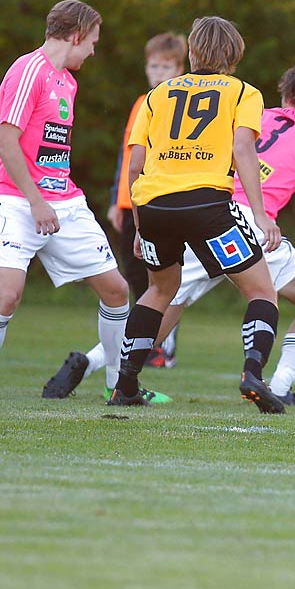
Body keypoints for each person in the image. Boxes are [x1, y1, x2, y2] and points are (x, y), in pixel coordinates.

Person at [48, 61, 295, 404]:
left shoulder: (255, 113)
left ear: (287, 92)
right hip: (241, 223)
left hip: (206, 207)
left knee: (164, 301)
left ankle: (96, 361)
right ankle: (277, 387)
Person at [0, 0, 132, 401]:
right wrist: (35, 201)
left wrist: (50, 199)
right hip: (19, 200)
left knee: (117, 290)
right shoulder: (26, 71)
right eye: (93, 42)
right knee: (8, 292)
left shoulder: (68, 81)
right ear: (77, 35)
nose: (94, 51)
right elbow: (6, 142)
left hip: (64, 201)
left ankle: (118, 387)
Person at [109, 16, 287, 413]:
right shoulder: (244, 93)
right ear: (235, 53)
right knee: (261, 290)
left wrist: (140, 226)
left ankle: (125, 385)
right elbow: (243, 151)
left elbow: (135, 166)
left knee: (158, 291)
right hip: (207, 204)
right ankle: (253, 374)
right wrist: (261, 216)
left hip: (155, 205)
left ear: (192, 52)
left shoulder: (158, 94)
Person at [108, 32, 187, 366]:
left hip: (158, 201)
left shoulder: (176, 102)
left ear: (180, 69)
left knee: (163, 278)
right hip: (131, 202)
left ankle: (162, 348)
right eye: (153, 65)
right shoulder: (141, 102)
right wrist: (116, 198)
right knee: (135, 276)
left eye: (165, 66)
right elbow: (126, 157)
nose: (157, 72)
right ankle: (141, 343)